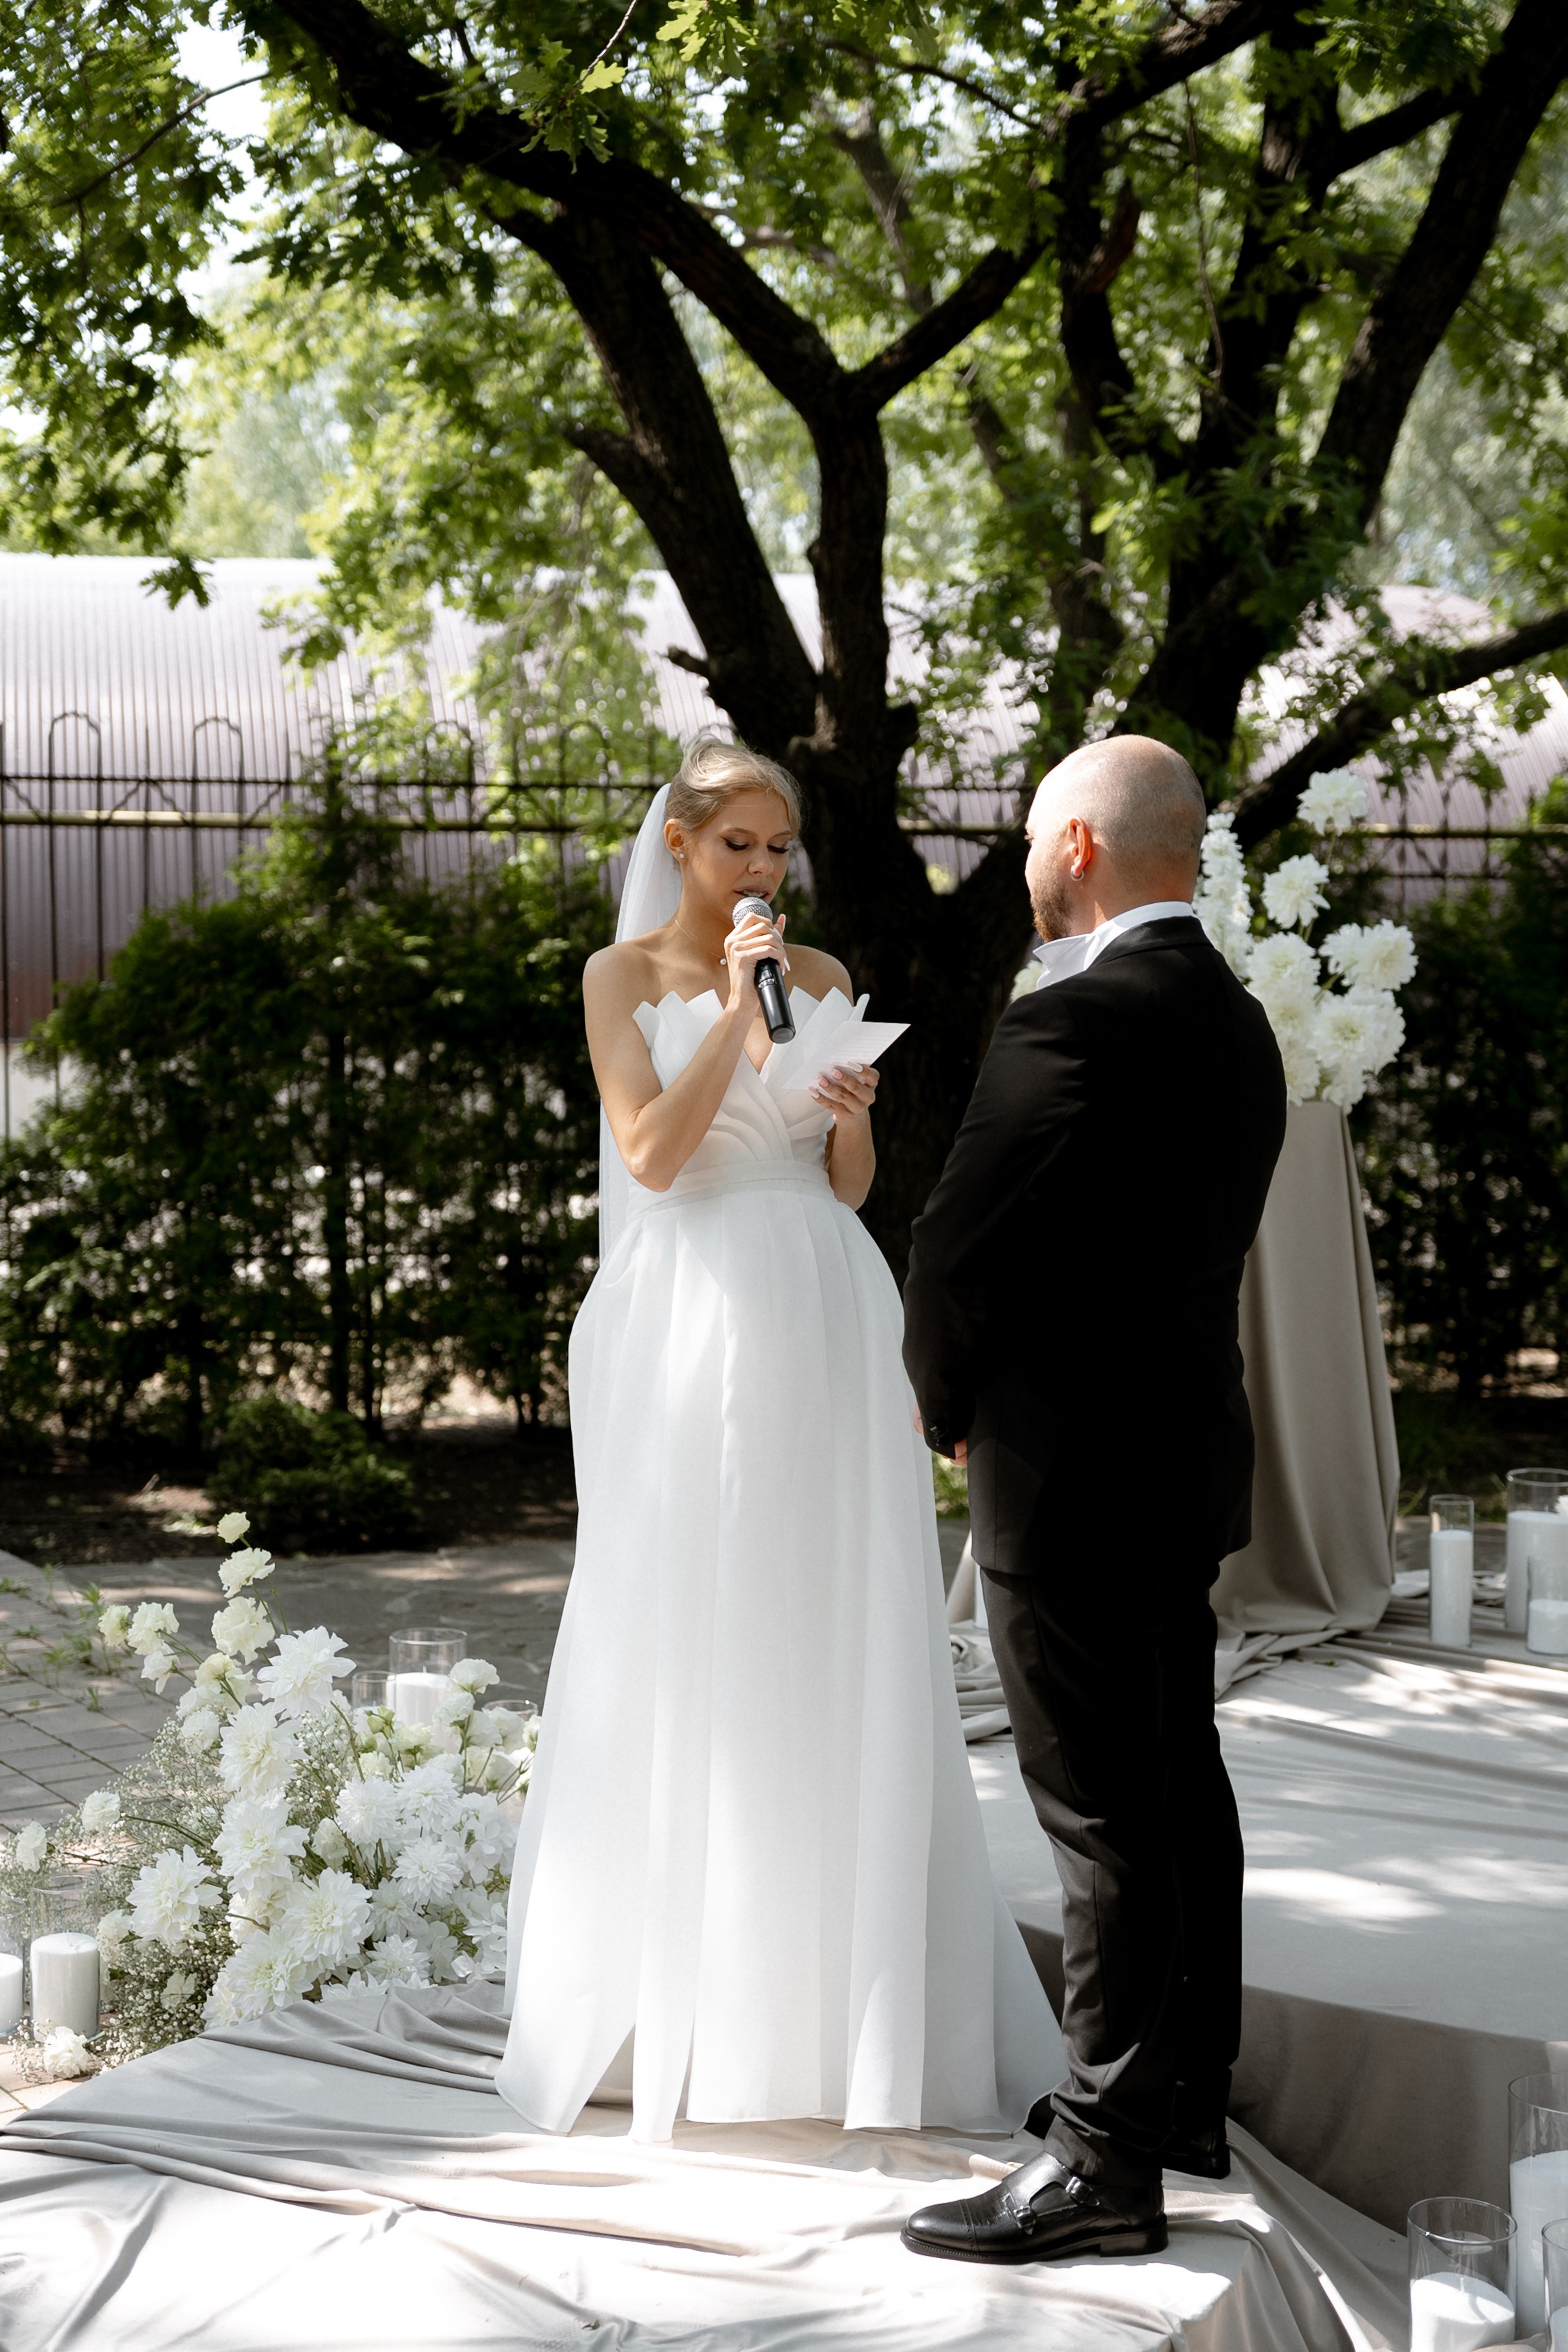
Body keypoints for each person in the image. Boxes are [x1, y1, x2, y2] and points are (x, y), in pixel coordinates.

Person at [496, 735, 1058, 2145]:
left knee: (831, 1621)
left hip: (822, 1305)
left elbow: (849, 1186)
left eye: (777, 851)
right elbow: (651, 1158)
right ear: (678, 846)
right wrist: (741, 1039)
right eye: (736, 845)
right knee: (696, 1623)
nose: (761, 872)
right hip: (692, 1311)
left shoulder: (815, 981)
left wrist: (845, 1114)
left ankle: (836, 2005)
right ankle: (674, 2000)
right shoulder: (619, 980)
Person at [900, 737, 1286, 2264]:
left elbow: (954, 1246)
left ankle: (1105, 2163)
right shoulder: (1240, 1022)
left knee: (1099, 1816)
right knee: (1175, 1779)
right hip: (1179, 1456)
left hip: (1064, 1474)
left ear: (1072, 846)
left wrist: (940, 1402)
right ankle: (1179, 2095)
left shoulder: (1074, 1016)